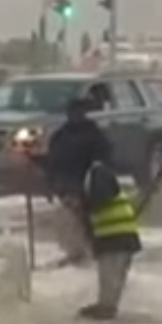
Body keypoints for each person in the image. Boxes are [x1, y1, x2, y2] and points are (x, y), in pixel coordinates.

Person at [44, 95, 112, 265]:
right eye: (72, 112)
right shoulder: (60, 136)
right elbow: (52, 162)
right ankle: (78, 252)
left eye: (78, 112)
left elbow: (104, 158)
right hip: (67, 184)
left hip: (87, 184)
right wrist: (52, 185)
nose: (75, 115)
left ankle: (90, 251)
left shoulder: (92, 134)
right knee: (72, 219)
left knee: (86, 219)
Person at [78, 157, 142, 320]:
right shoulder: (97, 173)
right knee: (112, 274)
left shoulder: (97, 173)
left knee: (110, 274)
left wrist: (84, 204)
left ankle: (107, 307)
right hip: (118, 233)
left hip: (116, 234)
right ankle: (106, 304)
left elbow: (101, 198)